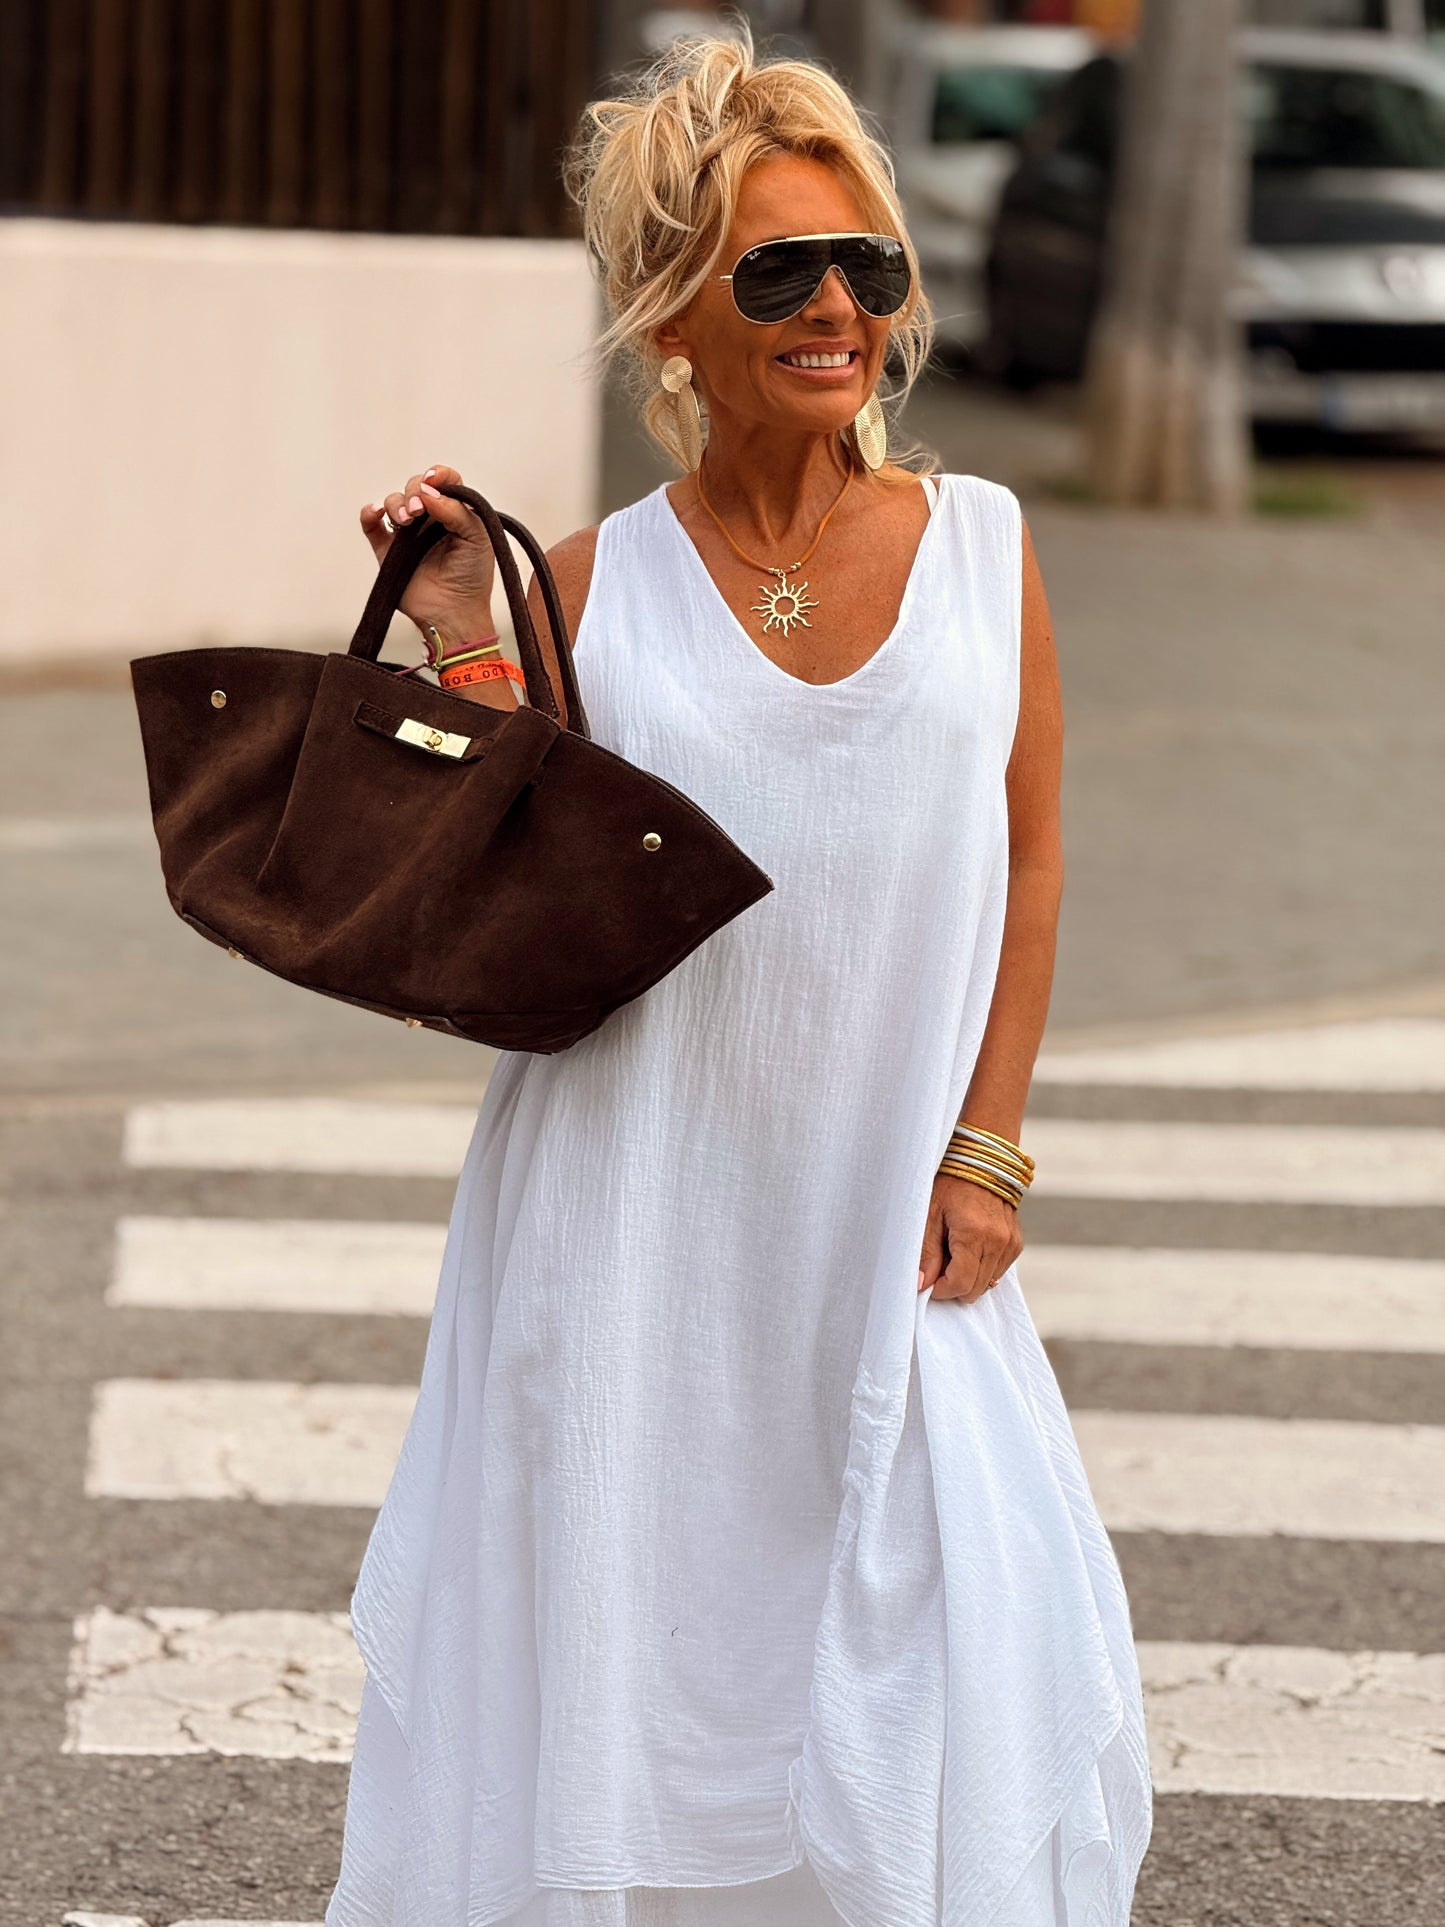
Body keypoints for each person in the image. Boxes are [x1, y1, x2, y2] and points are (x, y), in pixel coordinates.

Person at [326, 31, 1151, 1927]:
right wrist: (463, 640)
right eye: (779, 271)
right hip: (625, 1219)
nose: (837, 307)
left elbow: (1030, 854)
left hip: (885, 1214)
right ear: (674, 317)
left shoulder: (981, 549)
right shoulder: (592, 583)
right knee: (631, 1634)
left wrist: (989, 1150)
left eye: (868, 265)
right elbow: (514, 894)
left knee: (938, 1617)